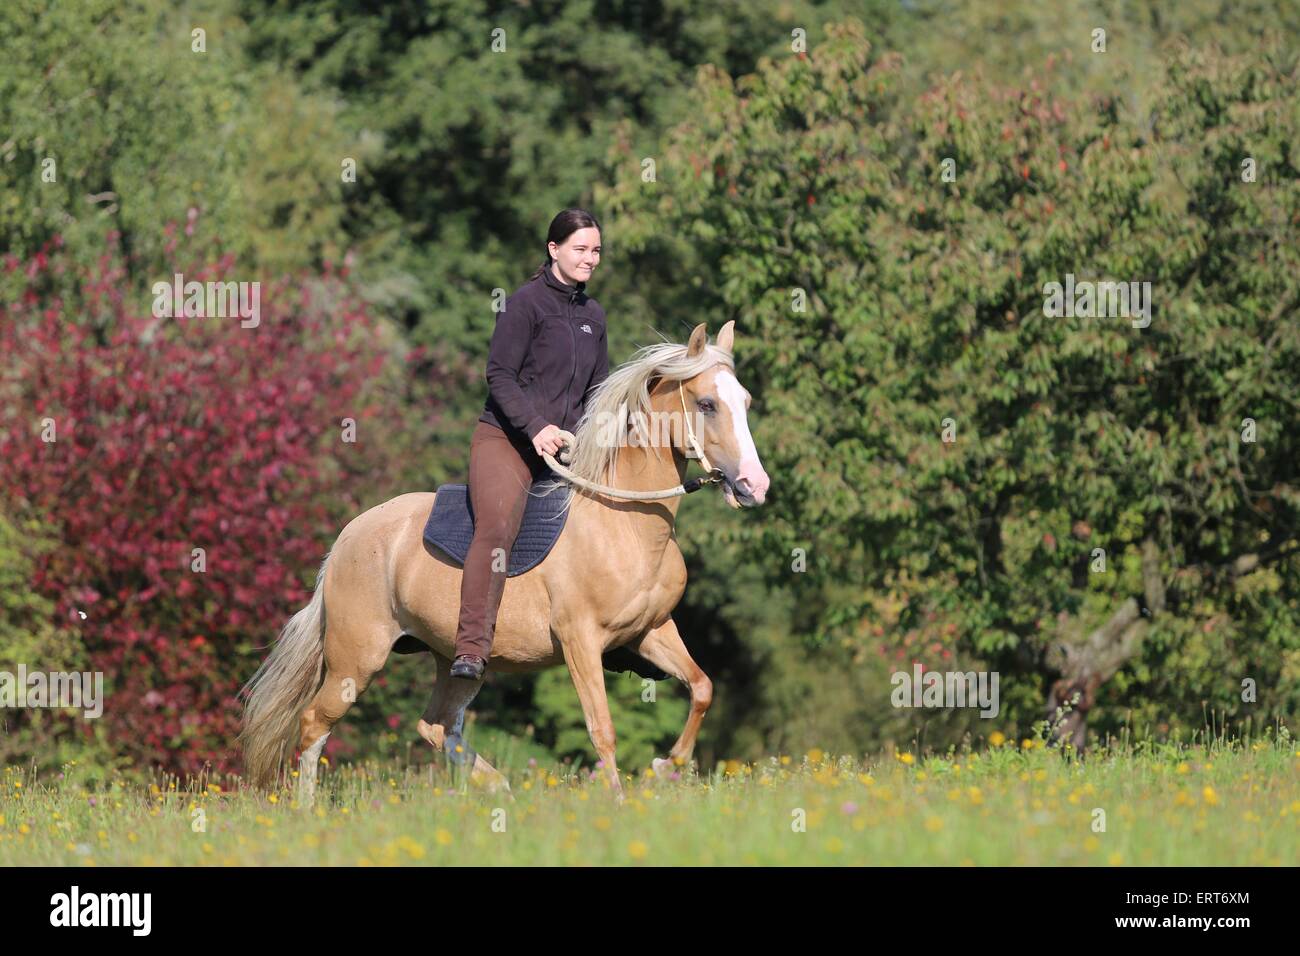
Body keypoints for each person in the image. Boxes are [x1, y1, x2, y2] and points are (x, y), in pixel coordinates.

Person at [450, 208, 609, 680]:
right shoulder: (524, 304)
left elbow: (597, 389)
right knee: (497, 528)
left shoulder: (593, 316)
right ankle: (471, 647)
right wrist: (537, 427)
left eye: (596, 250)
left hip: (563, 448)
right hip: (507, 440)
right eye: (580, 249)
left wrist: (581, 437)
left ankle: (619, 638)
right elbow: (498, 374)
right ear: (553, 249)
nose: (590, 259)